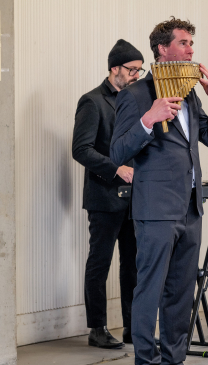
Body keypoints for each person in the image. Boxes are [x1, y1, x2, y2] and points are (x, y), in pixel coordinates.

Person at [110, 17, 208, 365]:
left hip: (190, 208)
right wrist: (149, 119)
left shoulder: (190, 94)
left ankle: (173, 359)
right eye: (183, 43)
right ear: (163, 49)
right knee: (149, 290)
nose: (191, 49)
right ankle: (145, 360)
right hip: (155, 209)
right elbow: (117, 152)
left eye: (192, 43)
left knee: (180, 294)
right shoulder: (135, 95)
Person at [72, 39, 144, 349]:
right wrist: (116, 168)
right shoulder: (92, 101)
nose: (136, 76)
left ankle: (132, 327)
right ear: (114, 68)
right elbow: (81, 149)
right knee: (99, 263)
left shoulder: (135, 100)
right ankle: (97, 329)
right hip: (104, 197)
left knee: (133, 264)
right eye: (131, 70)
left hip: (134, 197)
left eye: (140, 71)